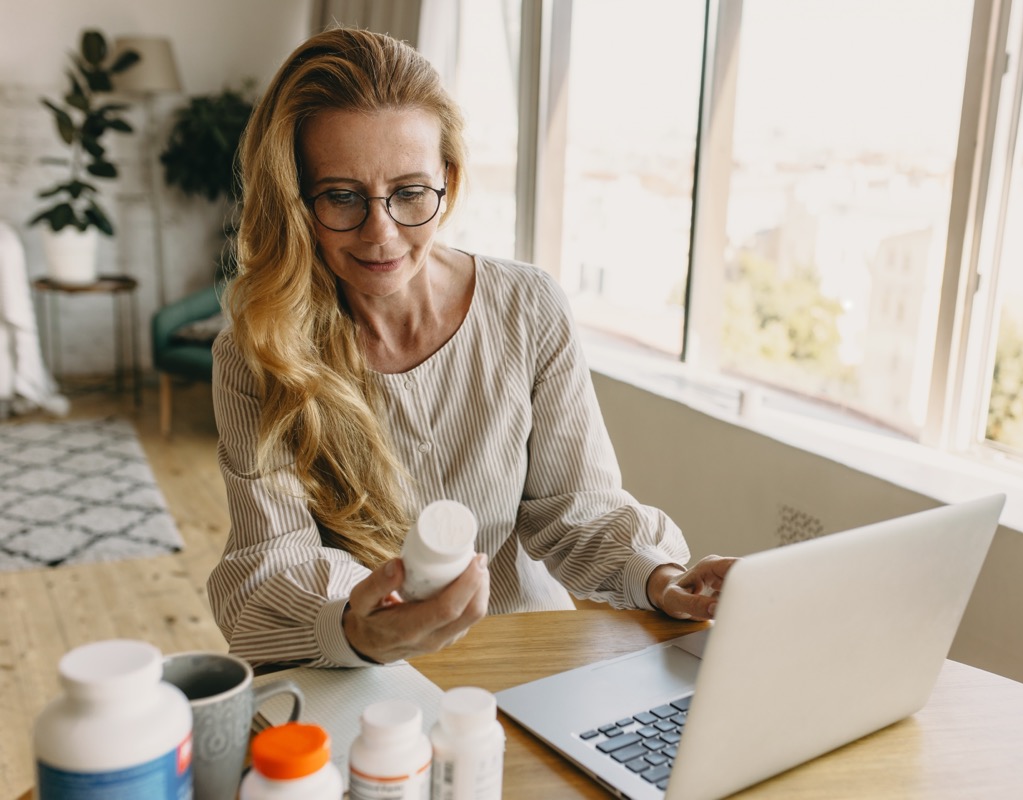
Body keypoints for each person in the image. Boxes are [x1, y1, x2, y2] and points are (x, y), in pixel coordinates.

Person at [207, 27, 735, 669]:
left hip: (523, 654)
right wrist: (359, 628)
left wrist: (660, 576)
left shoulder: (529, 307)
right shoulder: (259, 354)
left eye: (408, 192)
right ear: (296, 200)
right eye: (341, 196)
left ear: (448, 181)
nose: (381, 233)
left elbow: (576, 508)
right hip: (359, 668)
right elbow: (273, 563)